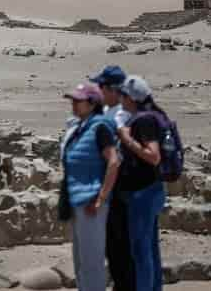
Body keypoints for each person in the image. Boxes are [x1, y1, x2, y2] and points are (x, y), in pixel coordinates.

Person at [61, 83, 120, 291]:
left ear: (92, 103)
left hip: (92, 204)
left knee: (92, 262)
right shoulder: (80, 126)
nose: (74, 104)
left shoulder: (100, 126)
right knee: (80, 260)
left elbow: (113, 161)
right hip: (78, 201)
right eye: (73, 100)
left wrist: (100, 198)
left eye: (78, 101)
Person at [118, 76, 166, 291]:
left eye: (123, 95)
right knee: (150, 249)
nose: (120, 99)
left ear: (132, 98)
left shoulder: (144, 120)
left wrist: (126, 139)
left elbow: (153, 155)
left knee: (141, 251)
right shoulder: (152, 115)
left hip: (143, 193)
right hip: (150, 190)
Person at [90, 65, 134, 291]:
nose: (99, 91)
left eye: (102, 87)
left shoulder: (111, 118)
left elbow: (112, 160)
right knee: (124, 250)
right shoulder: (129, 114)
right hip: (128, 192)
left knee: (117, 251)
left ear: (113, 90)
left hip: (115, 192)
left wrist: (101, 195)